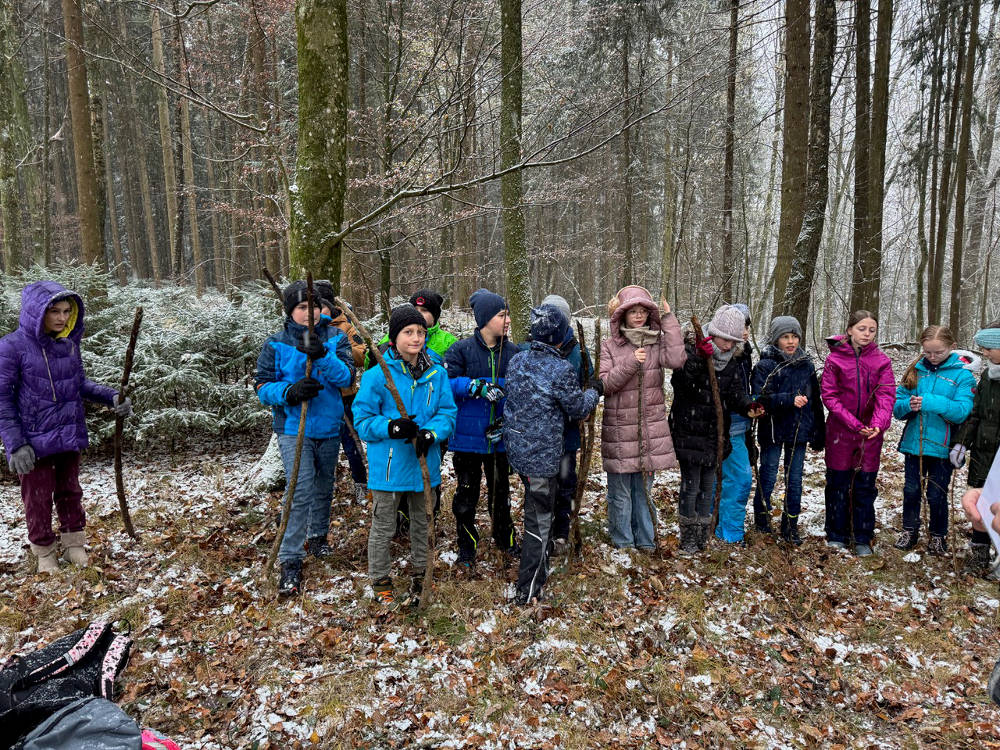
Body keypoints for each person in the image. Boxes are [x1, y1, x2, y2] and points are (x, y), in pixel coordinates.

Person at [0, 281, 132, 573]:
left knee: (70, 491)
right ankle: (44, 551)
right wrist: (16, 443)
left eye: (66, 311)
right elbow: (2, 399)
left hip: (68, 433)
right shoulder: (12, 347)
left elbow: (79, 384)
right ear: (37, 312)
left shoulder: (68, 345)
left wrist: (112, 397)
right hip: (33, 441)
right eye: (54, 311)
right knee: (37, 499)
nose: (61, 318)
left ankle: (74, 544)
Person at [255, 281, 354, 596]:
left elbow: (346, 377)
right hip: (293, 429)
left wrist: (322, 354)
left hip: (329, 425)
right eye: (301, 307)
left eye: (313, 306)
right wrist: (289, 392)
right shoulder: (276, 343)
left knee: (324, 485)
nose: (308, 312)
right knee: (300, 489)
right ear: (290, 311)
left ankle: (319, 536)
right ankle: (290, 558)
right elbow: (262, 386)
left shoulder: (335, 337)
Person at [353, 304, 457, 608]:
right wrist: (391, 426)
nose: (416, 338)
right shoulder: (377, 376)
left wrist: (431, 433)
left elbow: (447, 412)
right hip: (389, 468)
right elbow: (362, 420)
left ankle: (420, 573)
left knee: (423, 522)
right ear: (394, 336)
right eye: (408, 332)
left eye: (420, 332)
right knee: (383, 525)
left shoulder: (436, 374)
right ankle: (380, 579)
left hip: (425, 465)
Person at [503, 304, 601, 604]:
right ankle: (528, 589)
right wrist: (595, 390)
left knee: (536, 511)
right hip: (541, 459)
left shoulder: (518, 361)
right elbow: (579, 408)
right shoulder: (560, 369)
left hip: (519, 452)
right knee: (539, 520)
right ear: (559, 338)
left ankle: (539, 567)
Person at [669, 305, 763, 553]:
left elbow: (734, 394)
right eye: (724, 339)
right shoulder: (692, 351)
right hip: (690, 431)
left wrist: (748, 406)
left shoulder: (731, 361)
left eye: (733, 342)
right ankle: (688, 534)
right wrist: (699, 359)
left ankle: (702, 531)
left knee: (709, 486)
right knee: (691, 487)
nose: (728, 346)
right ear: (713, 333)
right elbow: (680, 383)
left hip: (714, 434)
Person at [600, 286, 686, 551]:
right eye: (632, 311)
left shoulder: (656, 342)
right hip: (618, 431)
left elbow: (676, 359)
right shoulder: (610, 346)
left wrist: (669, 321)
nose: (638, 316)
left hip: (649, 429)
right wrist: (630, 364)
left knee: (643, 491)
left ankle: (646, 542)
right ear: (622, 315)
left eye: (643, 311)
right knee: (620, 493)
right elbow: (604, 384)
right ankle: (623, 543)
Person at [445, 289, 521, 569]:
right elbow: (445, 385)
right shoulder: (460, 350)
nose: (508, 320)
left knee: (501, 494)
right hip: (467, 441)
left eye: (508, 314)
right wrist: (473, 386)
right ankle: (467, 547)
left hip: (500, 441)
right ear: (485, 319)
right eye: (502, 315)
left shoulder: (513, 353)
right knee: (466, 496)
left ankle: (505, 539)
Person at [892, 325, 975, 555]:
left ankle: (938, 535)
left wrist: (930, 402)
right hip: (914, 443)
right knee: (911, 490)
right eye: (927, 352)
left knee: (936, 493)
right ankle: (909, 529)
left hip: (943, 448)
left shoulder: (962, 376)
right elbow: (897, 407)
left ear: (952, 348)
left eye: (938, 352)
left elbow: (962, 411)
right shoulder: (915, 371)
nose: (932, 357)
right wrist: (908, 405)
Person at [820, 311, 896, 556]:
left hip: (870, 435)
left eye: (871, 330)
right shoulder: (835, 359)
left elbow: (886, 395)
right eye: (862, 328)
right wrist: (852, 423)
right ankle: (836, 533)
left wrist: (878, 424)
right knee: (837, 483)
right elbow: (829, 396)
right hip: (841, 431)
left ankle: (863, 536)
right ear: (850, 329)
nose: (866, 334)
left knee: (865, 485)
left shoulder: (882, 361)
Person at [751, 316, 826, 545]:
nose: (791, 341)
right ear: (776, 339)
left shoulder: (807, 365)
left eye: (794, 337)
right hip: (773, 432)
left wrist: (818, 432)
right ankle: (762, 521)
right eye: (785, 337)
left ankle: (790, 524)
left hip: (799, 432)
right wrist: (787, 400)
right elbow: (759, 400)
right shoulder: (765, 365)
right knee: (769, 475)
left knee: (794, 479)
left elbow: (815, 401)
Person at [535, 294, 593, 549]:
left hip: (567, 434)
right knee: (540, 489)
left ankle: (561, 534)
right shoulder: (531, 347)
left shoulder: (577, 350)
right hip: (540, 435)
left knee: (565, 485)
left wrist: (585, 402)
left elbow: (588, 379)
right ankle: (540, 536)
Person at [314, 281, 370, 504]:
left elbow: (360, 355)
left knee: (351, 444)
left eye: (321, 306)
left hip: (343, 397)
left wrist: (337, 351)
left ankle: (360, 484)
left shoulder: (345, 326)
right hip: (317, 398)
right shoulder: (306, 327)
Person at [954, 321, 1000, 574]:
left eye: (989, 348)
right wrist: (962, 443)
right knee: (982, 503)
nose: (984, 353)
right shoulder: (987, 376)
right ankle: (979, 552)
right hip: (984, 451)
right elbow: (975, 414)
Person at [715, 303, 757, 544]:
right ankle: (727, 532)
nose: (743, 332)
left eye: (746, 326)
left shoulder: (744, 354)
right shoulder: (720, 356)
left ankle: (725, 529)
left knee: (733, 478)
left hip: (741, 426)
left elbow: (742, 391)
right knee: (738, 478)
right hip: (724, 426)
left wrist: (752, 406)